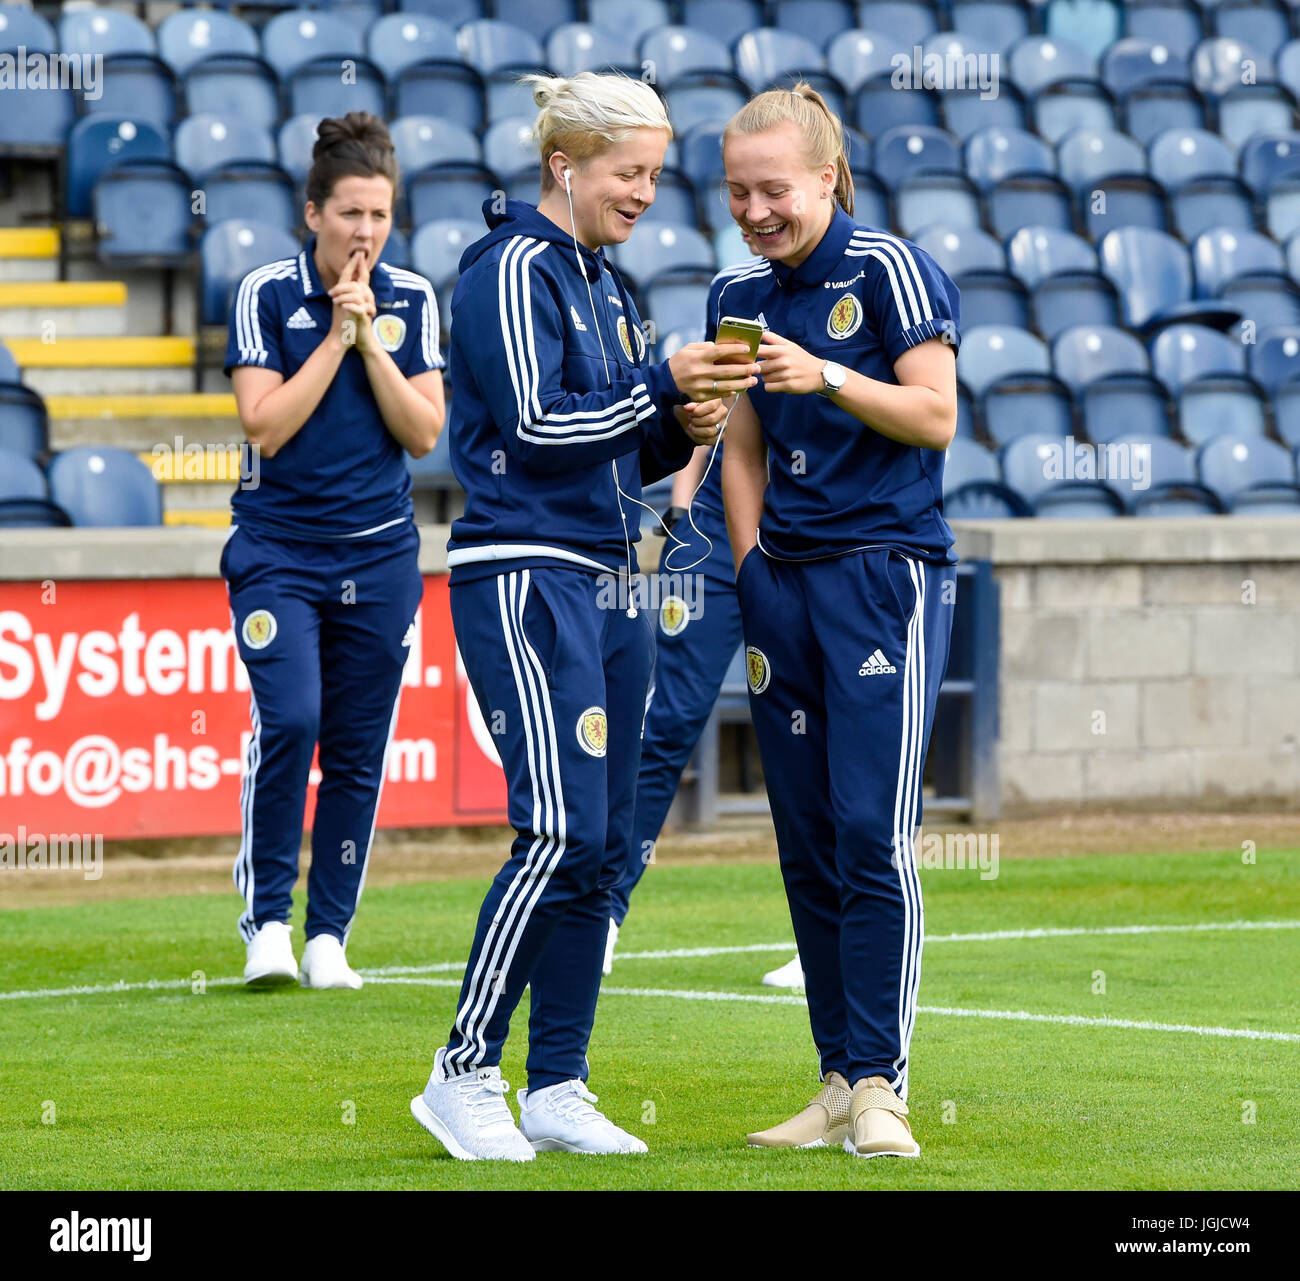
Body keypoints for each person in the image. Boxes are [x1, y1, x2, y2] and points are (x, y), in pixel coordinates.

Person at [409, 72, 755, 1162]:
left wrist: (681, 423)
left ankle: (556, 1080)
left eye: (655, 173)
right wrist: (660, 381)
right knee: (557, 826)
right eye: (629, 172)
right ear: (564, 164)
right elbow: (537, 429)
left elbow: (619, 446)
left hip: (608, 572)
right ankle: (462, 1071)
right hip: (523, 571)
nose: (647, 192)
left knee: (602, 843)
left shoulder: (604, 281)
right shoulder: (509, 267)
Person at [718, 85, 960, 1159]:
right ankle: (831, 1079)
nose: (755, 210)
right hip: (782, 584)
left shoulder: (890, 271)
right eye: (736, 192)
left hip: (882, 576)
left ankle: (882, 1085)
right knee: (808, 844)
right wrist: (747, 566)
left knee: (871, 830)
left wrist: (830, 376)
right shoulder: (733, 290)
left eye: (774, 188)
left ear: (826, 176)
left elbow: (935, 414)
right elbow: (736, 443)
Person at [222, 113, 445, 991]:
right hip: (279, 550)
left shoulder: (415, 298)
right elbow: (264, 428)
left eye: (379, 216)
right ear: (311, 212)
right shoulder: (265, 294)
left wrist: (373, 341)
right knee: (293, 720)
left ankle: (330, 936)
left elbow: (424, 431)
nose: (364, 233)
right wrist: (335, 338)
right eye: (349, 213)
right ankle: (268, 921)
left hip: (381, 558)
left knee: (358, 747)